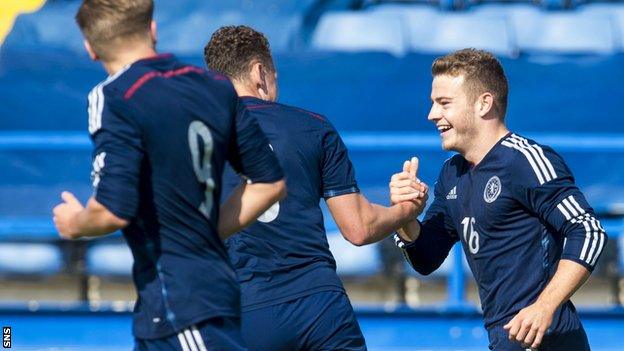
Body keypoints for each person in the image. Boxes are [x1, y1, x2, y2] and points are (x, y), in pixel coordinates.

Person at [52, 1, 286, 350]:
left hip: (182, 304)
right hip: (185, 301)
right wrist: (204, 229)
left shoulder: (113, 95)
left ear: (91, 49)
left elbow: (112, 209)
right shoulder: (214, 86)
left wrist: (75, 223)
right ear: (153, 30)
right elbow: (269, 183)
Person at [204, 25, 428, 351]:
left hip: (239, 310)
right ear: (259, 72)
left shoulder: (192, 137)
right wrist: (407, 210)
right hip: (318, 309)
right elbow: (358, 228)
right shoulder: (313, 127)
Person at [390, 48, 607, 350]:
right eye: (432, 104)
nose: (432, 115)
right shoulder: (452, 174)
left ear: (484, 103)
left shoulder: (525, 160)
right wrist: (406, 216)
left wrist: (544, 307)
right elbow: (426, 258)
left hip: (550, 341)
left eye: (444, 103)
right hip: (504, 340)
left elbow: (588, 231)